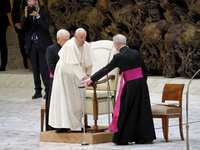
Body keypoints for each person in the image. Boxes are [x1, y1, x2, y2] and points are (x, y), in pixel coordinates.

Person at [81, 34, 156, 145]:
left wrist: (91, 79)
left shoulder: (118, 57)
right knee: (142, 109)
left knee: (126, 109)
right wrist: (142, 82)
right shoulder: (135, 53)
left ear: (116, 44)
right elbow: (144, 70)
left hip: (131, 85)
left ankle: (123, 138)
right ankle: (145, 137)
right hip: (141, 84)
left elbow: (105, 70)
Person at [49, 28, 95, 133]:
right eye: (81, 37)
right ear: (75, 37)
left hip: (77, 76)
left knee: (77, 101)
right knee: (64, 100)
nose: (83, 40)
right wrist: (85, 78)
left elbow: (89, 63)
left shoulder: (86, 46)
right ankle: (62, 125)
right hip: (65, 75)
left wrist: (88, 75)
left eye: (84, 37)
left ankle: (76, 125)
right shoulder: (69, 45)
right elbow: (74, 65)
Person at [21, 0, 52, 99]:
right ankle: (38, 91)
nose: (31, 8)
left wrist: (38, 16)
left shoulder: (44, 13)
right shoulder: (28, 15)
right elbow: (22, 27)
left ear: (37, 4)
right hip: (32, 44)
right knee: (35, 69)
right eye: (29, 6)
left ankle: (48, 90)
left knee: (44, 68)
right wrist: (26, 15)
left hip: (42, 44)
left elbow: (45, 26)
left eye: (32, 6)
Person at [45, 29, 70, 131]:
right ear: (58, 39)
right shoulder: (51, 49)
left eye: (68, 40)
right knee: (54, 105)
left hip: (68, 81)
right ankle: (53, 127)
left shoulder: (70, 49)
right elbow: (51, 67)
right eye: (64, 40)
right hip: (55, 82)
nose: (66, 42)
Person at [11, 0, 29, 69]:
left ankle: (31, 63)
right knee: (22, 46)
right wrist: (15, 23)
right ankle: (26, 65)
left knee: (29, 45)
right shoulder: (16, 1)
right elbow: (13, 13)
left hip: (28, 27)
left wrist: (24, 23)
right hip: (19, 26)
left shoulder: (29, 1)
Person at [0, 0, 11, 71]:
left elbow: (8, 9)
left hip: (2, 22)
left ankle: (3, 66)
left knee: (2, 43)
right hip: (3, 21)